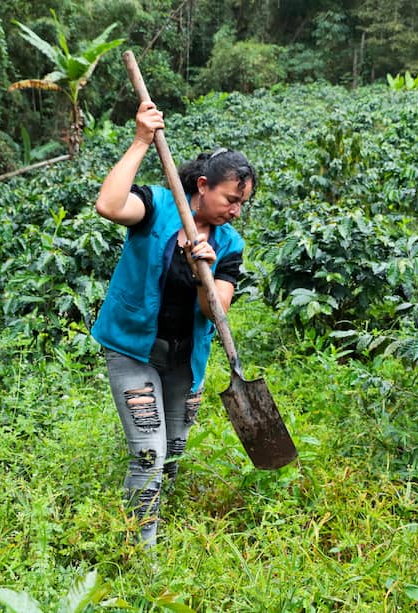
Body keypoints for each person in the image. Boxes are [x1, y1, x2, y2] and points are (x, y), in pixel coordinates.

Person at [91, 100, 256, 546]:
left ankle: (163, 517)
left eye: (243, 203)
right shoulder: (157, 206)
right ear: (202, 186)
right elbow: (108, 204)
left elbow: (215, 311)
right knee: (148, 453)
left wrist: (206, 268)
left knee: (173, 452)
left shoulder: (228, 242)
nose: (236, 210)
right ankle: (140, 554)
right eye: (231, 199)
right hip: (132, 349)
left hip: (187, 357)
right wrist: (142, 139)